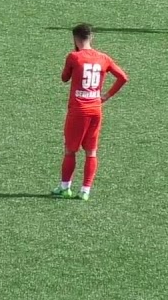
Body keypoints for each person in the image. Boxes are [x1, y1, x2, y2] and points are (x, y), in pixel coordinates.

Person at [54, 23, 128, 201]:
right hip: (95, 108)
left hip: (78, 110)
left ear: (75, 38)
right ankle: (85, 190)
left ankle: (65, 187)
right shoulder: (103, 57)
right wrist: (106, 96)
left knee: (70, 150)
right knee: (91, 151)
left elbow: (64, 78)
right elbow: (123, 77)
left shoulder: (74, 56)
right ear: (91, 37)